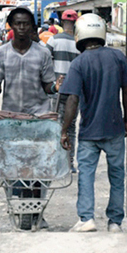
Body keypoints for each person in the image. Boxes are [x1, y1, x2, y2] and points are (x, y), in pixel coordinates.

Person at [59, 13, 127, 233]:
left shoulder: (78, 63)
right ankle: (115, 222)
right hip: (114, 128)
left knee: (86, 174)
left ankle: (86, 218)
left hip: (89, 131)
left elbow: (71, 100)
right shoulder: (118, 58)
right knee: (117, 175)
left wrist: (64, 130)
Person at [0, 6, 62, 229]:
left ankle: (37, 209)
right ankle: (19, 205)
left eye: (26, 24)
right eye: (17, 23)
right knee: (14, 166)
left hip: (38, 117)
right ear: (11, 25)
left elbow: (47, 85)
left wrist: (55, 87)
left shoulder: (43, 53)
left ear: (32, 27)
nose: (21, 28)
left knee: (39, 166)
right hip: (11, 118)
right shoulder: (1, 53)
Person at [46, 9, 80, 173]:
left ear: (61, 21)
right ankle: (69, 163)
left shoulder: (53, 40)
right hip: (75, 90)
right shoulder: (79, 42)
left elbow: (45, 62)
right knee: (71, 126)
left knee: (56, 125)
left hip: (57, 91)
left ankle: (56, 163)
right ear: (75, 23)